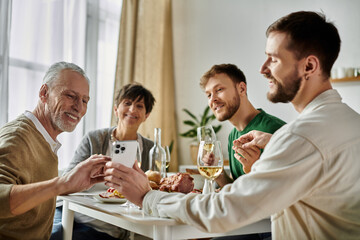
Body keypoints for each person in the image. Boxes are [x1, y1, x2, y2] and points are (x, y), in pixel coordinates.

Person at [103, 11, 360, 239]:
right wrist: (275, 146)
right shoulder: (350, 122)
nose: (263, 69)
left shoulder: (302, 137)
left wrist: (148, 197)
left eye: (274, 59)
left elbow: (222, 212)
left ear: (310, 66)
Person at [0, 62, 110, 240]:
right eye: (70, 95)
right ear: (44, 93)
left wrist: (73, 184)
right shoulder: (18, 137)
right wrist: (62, 183)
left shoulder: (44, 139)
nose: (79, 108)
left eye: (84, 100)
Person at [51, 83, 156, 240]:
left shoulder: (150, 148)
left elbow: (150, 191)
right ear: (116, 109)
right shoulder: (94, 139)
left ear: (146, 115)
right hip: (77, 215)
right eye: (127, 103)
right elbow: (68, 179)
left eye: (139, 106)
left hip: (112, 224)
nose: (132, 110)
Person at [200, 64, 285, 186]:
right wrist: (219, 174)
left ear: (242, 89)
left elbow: (281, 192)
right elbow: (236, 188)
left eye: (219, 90)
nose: (212, 99)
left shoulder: (274, 130)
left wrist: (253, 169)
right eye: (209, 95)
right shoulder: (233, 136)